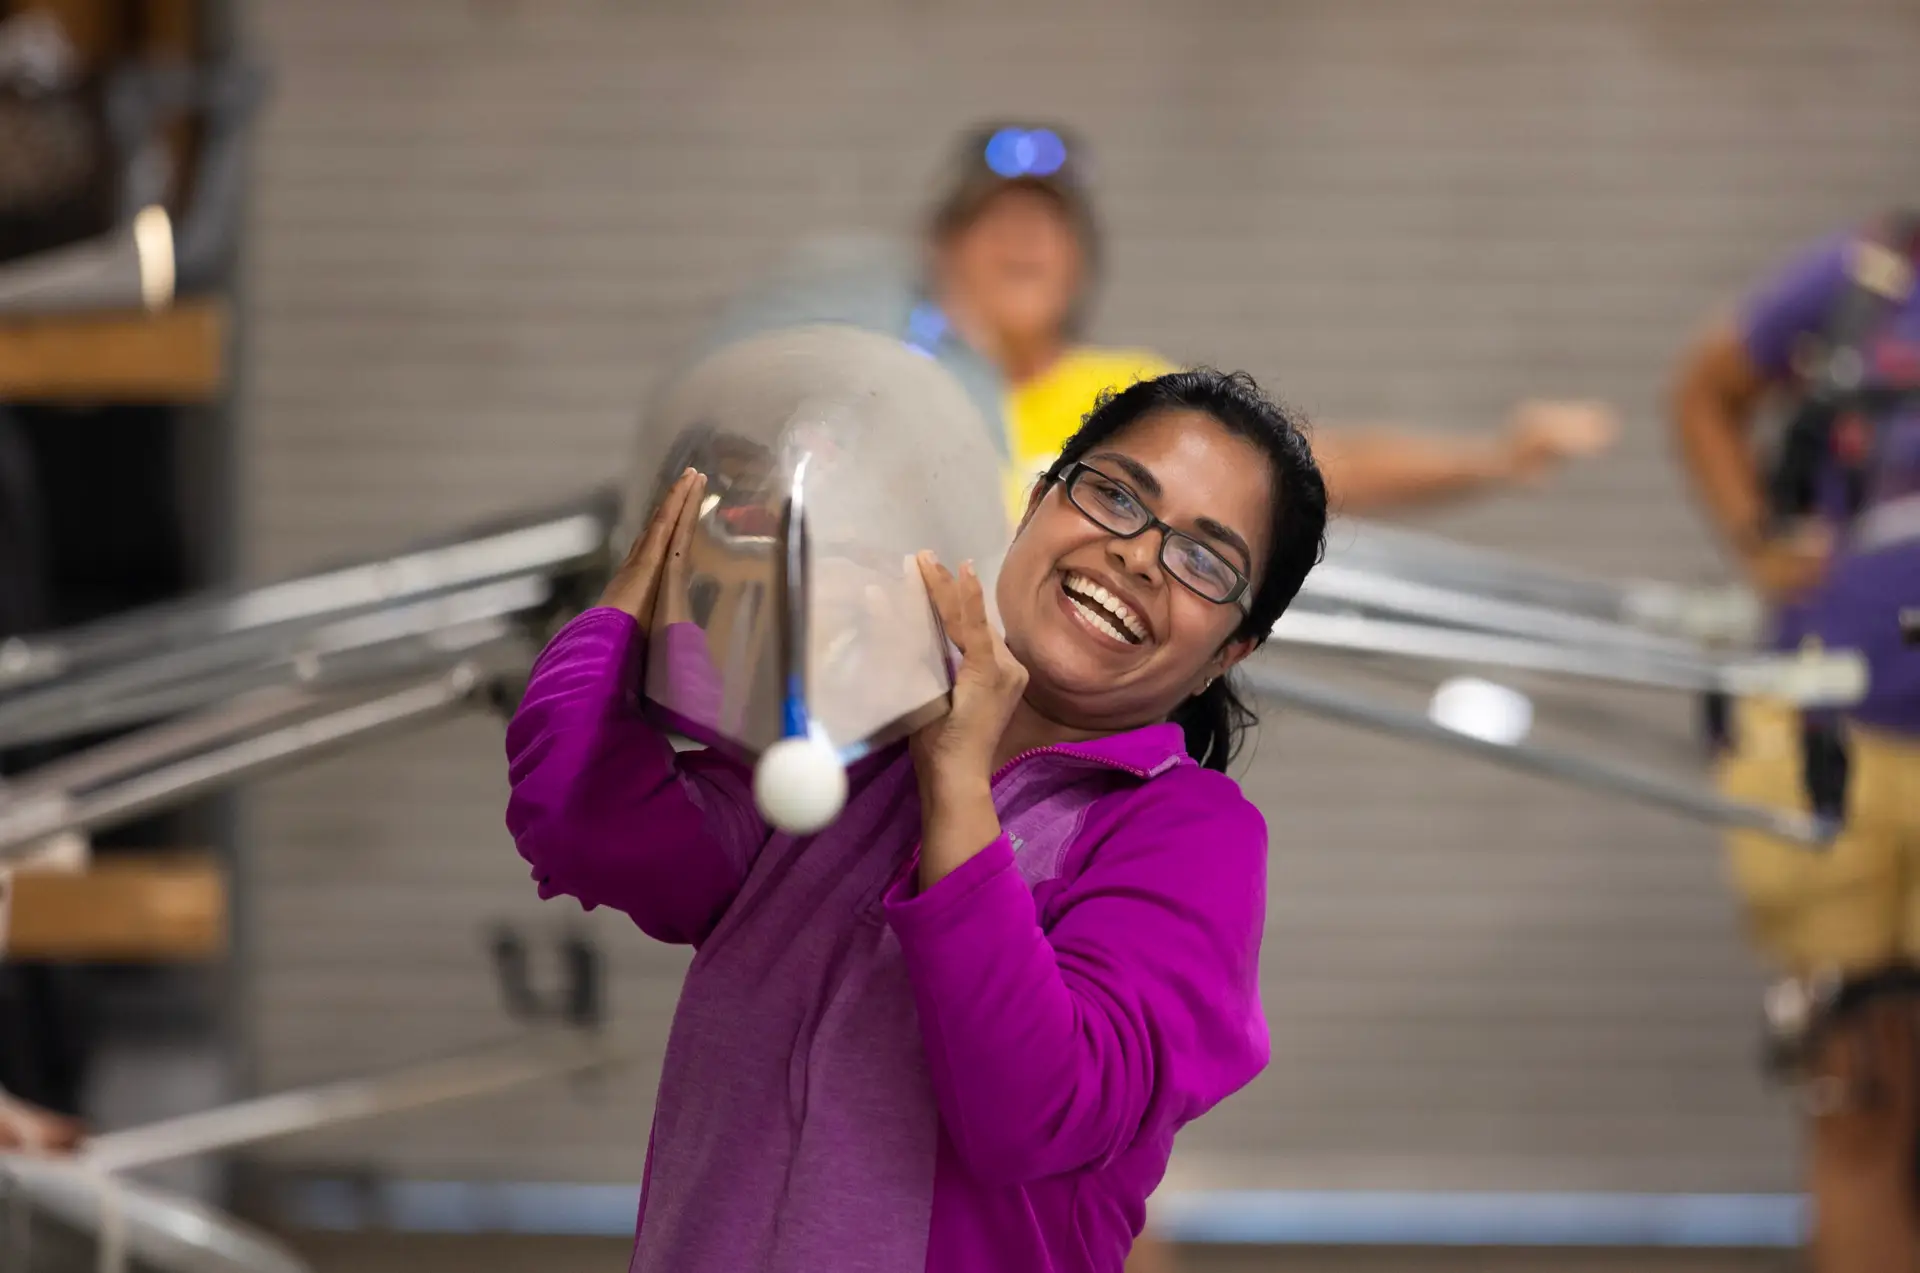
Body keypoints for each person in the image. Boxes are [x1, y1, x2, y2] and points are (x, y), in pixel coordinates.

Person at [504, 369, 1328, 1273]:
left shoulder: (1189, 837)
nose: (1137, 554)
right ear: (1035, 504)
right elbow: (585, 823)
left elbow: (1036, 1108)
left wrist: (956, 779)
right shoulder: (859, 718)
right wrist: (627, 607)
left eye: (1205, 560)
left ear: (1230, 651)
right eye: (1117, 494)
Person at [919, 122, 1618, 521]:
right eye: (997, 221)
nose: (1023, 243)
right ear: (943, 249)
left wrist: (1493, 457)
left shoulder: (1131, 395)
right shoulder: (891, 381)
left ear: (1081, 261)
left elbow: (1310, 463)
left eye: (1048, 225)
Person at [1671, 215, 1920, 1273]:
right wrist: (1760, 538)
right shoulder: (1870, 278)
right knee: (1861, 1089)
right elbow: (1703, 390)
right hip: (1836, 733)